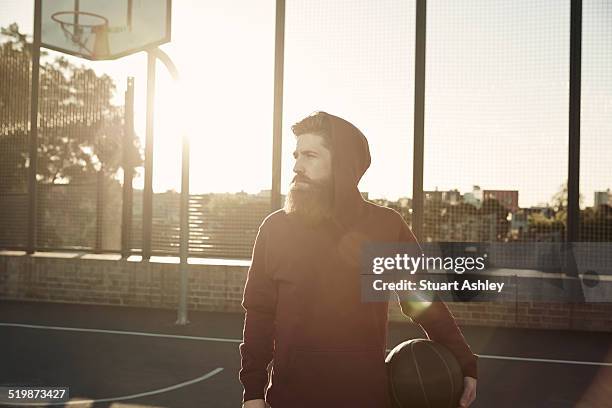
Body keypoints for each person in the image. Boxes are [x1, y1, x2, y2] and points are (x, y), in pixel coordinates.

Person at [239, 111, 478, 408]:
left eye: (310, 155)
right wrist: (252, 392)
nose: (297, 166)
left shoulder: (385, 227)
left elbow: (422, 301)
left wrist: (465, 362)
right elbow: (259, 313)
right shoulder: (276, 229)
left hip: (366, 398)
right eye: (296, 155)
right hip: (291, 399)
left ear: (342, 164)